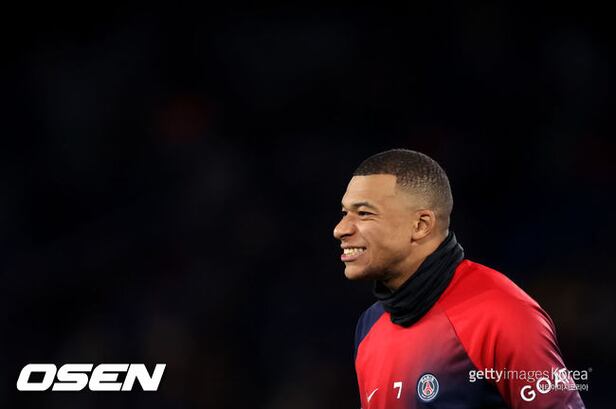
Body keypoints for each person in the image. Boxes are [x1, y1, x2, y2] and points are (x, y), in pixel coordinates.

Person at [333, 149, 585, 409]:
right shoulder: (369, 325)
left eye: (364, 213)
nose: (340, 229)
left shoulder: (502, 315)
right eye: (344, 213)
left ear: (420, 225)